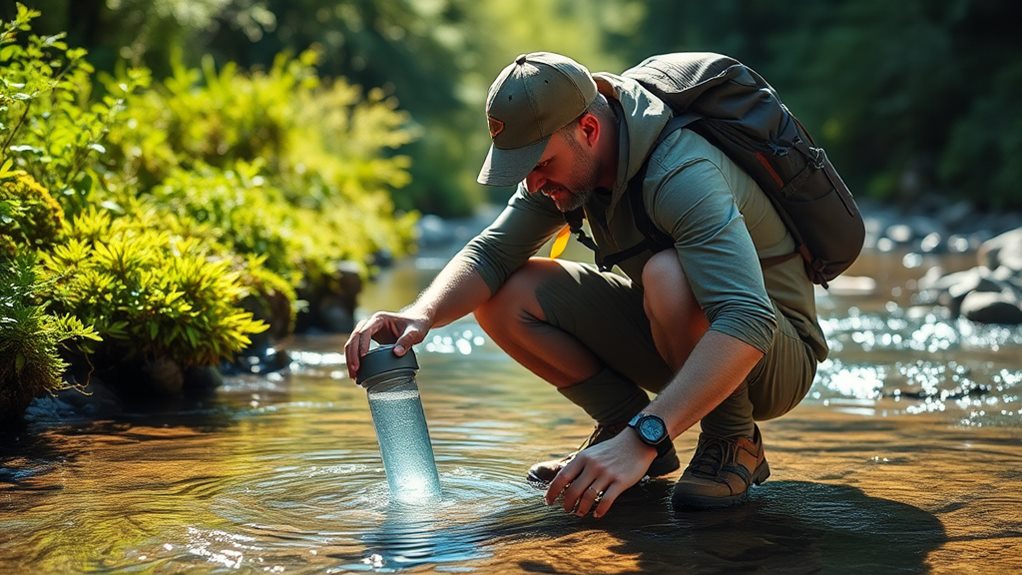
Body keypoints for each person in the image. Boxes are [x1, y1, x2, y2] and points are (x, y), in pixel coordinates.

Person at [345, 52, 826, 518]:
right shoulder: (568, 160)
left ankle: (732, 440)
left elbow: (748, 319)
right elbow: (490, 254)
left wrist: (646, 436)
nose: (533, 184)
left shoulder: (681, 173)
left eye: (539, 164)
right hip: (686, 338)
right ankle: (620, 422)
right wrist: (421, 313)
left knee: (667, 274)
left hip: (772, 353)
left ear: (589, 130)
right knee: (506, 294)